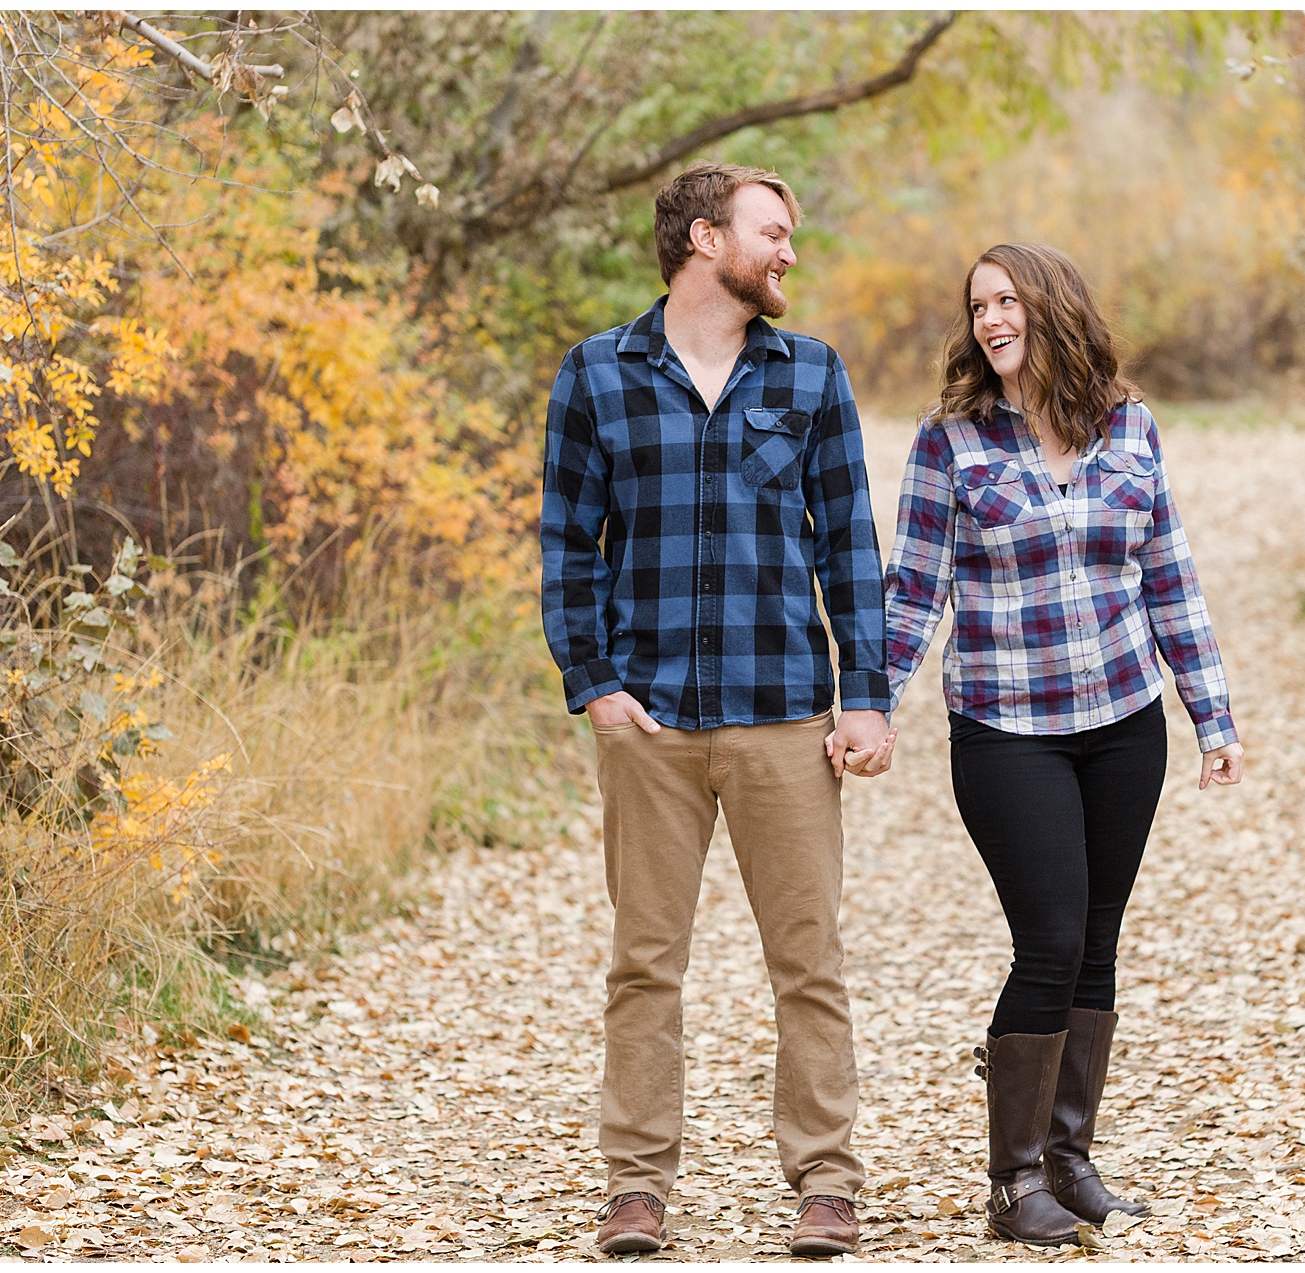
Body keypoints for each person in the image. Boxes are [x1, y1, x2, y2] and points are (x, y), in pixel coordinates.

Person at [541, 161, 897, 1259]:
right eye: (771, 231)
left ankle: (826, 1182)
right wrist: (593, 681)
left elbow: (850, 546)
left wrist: (865, 696)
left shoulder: (811, 373)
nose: (789, 251)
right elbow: (567, 543)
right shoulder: (597, 373)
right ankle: (636, 1185)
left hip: (783, 714)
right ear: (706, 239)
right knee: (644, 962)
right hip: (649, 720)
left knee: (809, 961)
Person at [882, 243, 1243, 1247]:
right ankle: (1013, 1180)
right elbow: (913, 588)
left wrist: (1211, 715)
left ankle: (1069, 1159)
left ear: (1053, 307)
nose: (991, 319)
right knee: (1048, 939)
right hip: (1007, 725)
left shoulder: (1128, 425)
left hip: (1124, 720)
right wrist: (868, 704)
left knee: (1096, 938)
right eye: (978, 306)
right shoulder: (951, 440)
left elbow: (1168, 574)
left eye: (1008, 300)